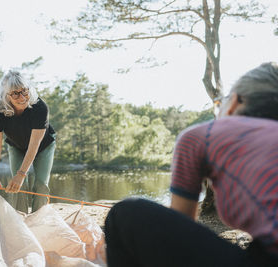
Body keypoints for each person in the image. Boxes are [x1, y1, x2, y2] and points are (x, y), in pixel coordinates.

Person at [104, 62, 278, 267]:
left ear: (235, 102)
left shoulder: (202, 136)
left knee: (125, 214)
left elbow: (178, 228)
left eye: (220, 103)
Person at [0, 70, 56, 213]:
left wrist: (22, 173)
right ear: (6, 96)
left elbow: (34, 145)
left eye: (24, 91)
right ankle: (20, 220)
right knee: (17, 185)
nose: (22, 97)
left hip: (43, 147)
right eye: (15, 93)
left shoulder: (40, 108)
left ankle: (39, 219)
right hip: (16, 146)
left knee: (41, 184)